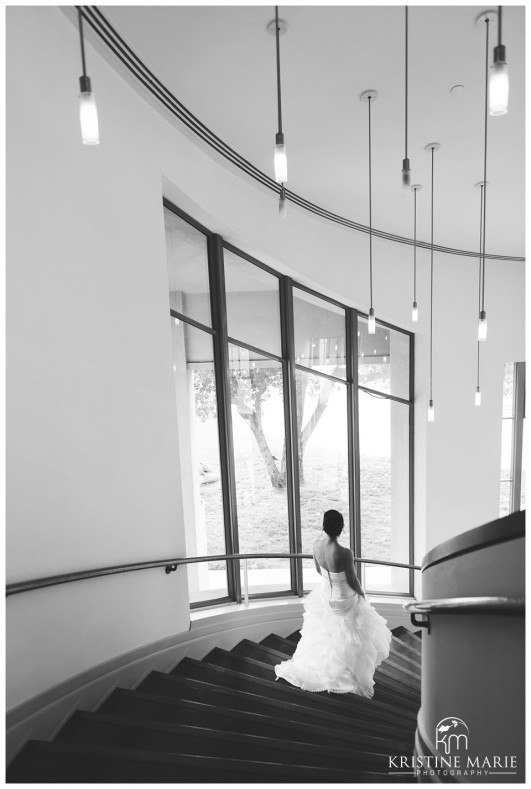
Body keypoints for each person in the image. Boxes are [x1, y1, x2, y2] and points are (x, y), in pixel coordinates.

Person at [275, 509, 391, 697]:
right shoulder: (345, 552)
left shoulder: (316, 546)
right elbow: (353, 580)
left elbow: (319, 571)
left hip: (326, 593)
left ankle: (326, 668)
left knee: (328, 632)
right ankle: (348, 673)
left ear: (324, 525)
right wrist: (362, 594)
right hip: (344, 597)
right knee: (353, 633)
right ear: (341, 528)